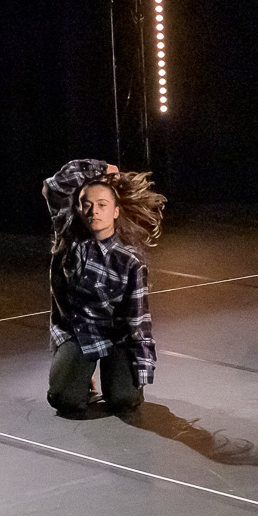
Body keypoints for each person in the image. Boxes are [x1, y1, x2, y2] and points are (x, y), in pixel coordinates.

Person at [42, 158, 165, 418]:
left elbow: (139, 320)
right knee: (64, 400)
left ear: (116, 211)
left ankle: (117, 376)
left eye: (102, 205)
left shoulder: (130, 260)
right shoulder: (68, 235)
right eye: (87, 206)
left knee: (123, 400)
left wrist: (141, 370)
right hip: (78, 333)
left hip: (115, 337)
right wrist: (100, 168)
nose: (94, 212)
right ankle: (79, 375)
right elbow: (53, 186)